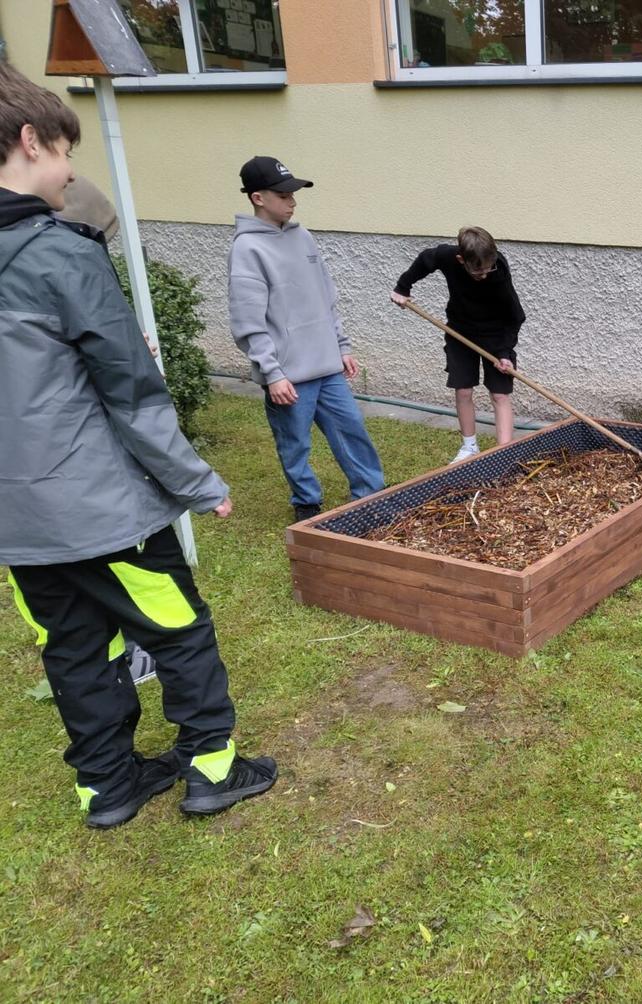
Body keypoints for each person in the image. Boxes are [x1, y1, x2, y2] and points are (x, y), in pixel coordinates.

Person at [0, 63, 276, 828]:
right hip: (98, 509)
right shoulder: (60, 253)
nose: (69, 171)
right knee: (179, 630)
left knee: (74, 647)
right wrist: (198, 482)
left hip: (18, 526)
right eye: (64, 151)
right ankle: (213, 770)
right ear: (30, 141)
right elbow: (130, 391)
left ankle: (108, 786)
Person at [228, 155, 384, 521]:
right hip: (288, 375)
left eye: (293, 194)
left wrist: (341, 345)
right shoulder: (247, 249)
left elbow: (325, 298)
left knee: (352, 429)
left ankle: (370, 494)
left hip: (327, 365)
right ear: (258, 198)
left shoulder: (303, 237)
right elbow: (248, 320)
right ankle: (306, 501)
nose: (292, 202)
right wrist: (272, 373)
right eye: (283, 195)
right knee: (295, 442)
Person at [391, 226, 526, 463]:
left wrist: (504, 353)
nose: (484, 274)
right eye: (478, 271)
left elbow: (515, 316)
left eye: (488, 268)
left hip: (496, 336)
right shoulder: (446, 256)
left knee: (500, 394)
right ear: (461, 260)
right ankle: (469, 447)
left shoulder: (498, 269)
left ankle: (503, 454)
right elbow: (426, 260)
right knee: (463, 390)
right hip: (460, 332)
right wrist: (403, 287)